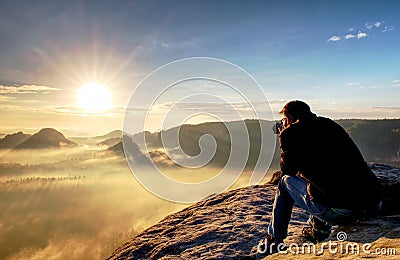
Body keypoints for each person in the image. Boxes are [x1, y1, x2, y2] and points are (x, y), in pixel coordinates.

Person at [259, 100, 382, 254]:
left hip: (342, 212)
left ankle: (274, 239)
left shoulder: (290, 134)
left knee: (284, 183)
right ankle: (317, 231)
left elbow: (288, 171)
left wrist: (284, 136)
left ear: (288, 118)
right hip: (373, 203)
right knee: (323, 181)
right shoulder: (329, 124)